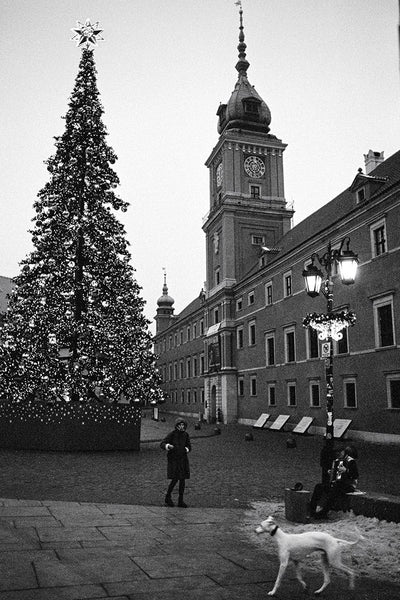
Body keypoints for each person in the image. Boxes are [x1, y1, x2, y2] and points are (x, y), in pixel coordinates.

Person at [314, 445, 359, 519]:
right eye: (337, 452)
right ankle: (313, 509)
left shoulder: (351, 461)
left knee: (335, 489)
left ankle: (324, 512)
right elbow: (335, 475)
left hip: (349, 485)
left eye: (340, 452)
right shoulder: (337, 461)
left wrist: (346, 471)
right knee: (319, 487)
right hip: (338, 484)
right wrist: (331, 472)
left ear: (344, 452)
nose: (339, 454)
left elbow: (355, 475)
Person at [160, 417, 191, 508]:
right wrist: (168, 446)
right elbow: (162, 444)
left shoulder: (186, 435)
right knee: (175, 479)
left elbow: (189, 446)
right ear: (177, 426)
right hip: (174, 459)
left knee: (182, 480)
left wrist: (186, 449)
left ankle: (180, 500)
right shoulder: (172, 434)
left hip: (183, 459)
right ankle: (168, 497)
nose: (182, 427)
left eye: (183, 425)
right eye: (180, 425)